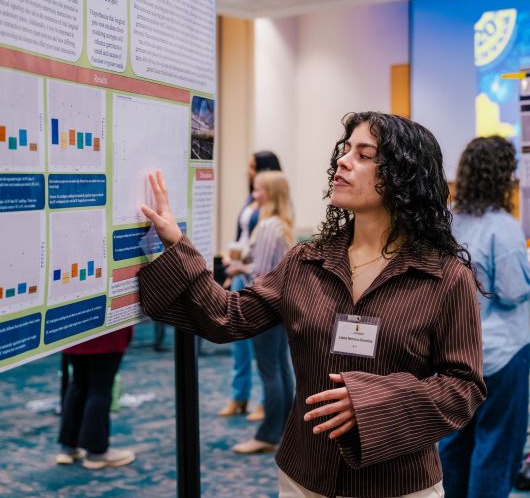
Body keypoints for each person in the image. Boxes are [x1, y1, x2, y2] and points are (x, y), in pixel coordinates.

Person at [138, 112, 486, 497]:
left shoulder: (445, 276)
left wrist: (373, 405)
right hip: (304, 477)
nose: (343, 160)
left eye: (365, 154)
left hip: (397, 483)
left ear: (404, 176)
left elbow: (463, 387)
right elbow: (227, 317)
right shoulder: (306, 261)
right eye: (345, 149)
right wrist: (177, 244)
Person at [438, 136, 530, 498]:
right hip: (501, 355)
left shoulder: (450, 222)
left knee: (455, 446)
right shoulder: (502, 227)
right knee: (496, 451)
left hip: (455, 354)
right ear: (504, 176)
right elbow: (514, 290)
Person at [225, 170, 296, 455]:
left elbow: (262, 273)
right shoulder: (281, 224)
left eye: (257, 191)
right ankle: (284, 428)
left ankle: (268, 435)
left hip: (266, 307)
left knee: (270, 369)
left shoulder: (268, 227)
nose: (253, 196)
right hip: (281, 307)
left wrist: (238, 268)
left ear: (270, 194)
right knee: (280, 367)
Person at [217, 150, 283, 420]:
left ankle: (265, 401)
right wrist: (230, 264)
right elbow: (241, 236)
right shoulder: (250, 200)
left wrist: (242, 265)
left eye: (252, 166)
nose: (248, 171)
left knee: (265, 350)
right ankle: (239, 395)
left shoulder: (276, 203)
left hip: (258, 277)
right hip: (240, 274)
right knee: (239, 344)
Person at [55, 326, 136, 469]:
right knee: (100, 388)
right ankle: (97, 453)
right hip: (107, 333)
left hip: (74, 332)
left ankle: (68, 449)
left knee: (78, 383)